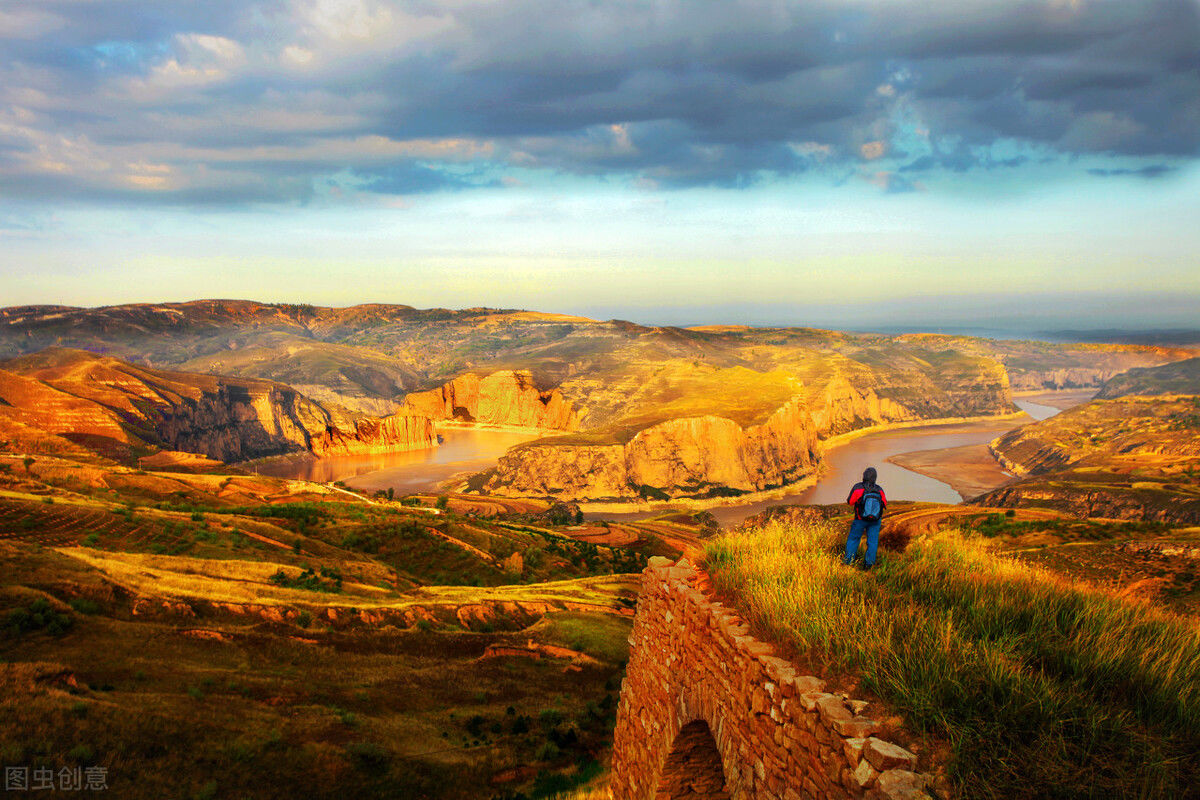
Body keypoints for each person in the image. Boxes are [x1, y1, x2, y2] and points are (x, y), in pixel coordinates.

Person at [844, 467, 887, 570]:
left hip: (860, 519)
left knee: (853, 539)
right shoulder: (879, 489)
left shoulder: (858, 487)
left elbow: (850, 502)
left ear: (864, 476)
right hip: (875, 521)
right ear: (875, 477)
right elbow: (884, 503)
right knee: (872, 542)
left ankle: (849, 563)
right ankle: (869, 565)